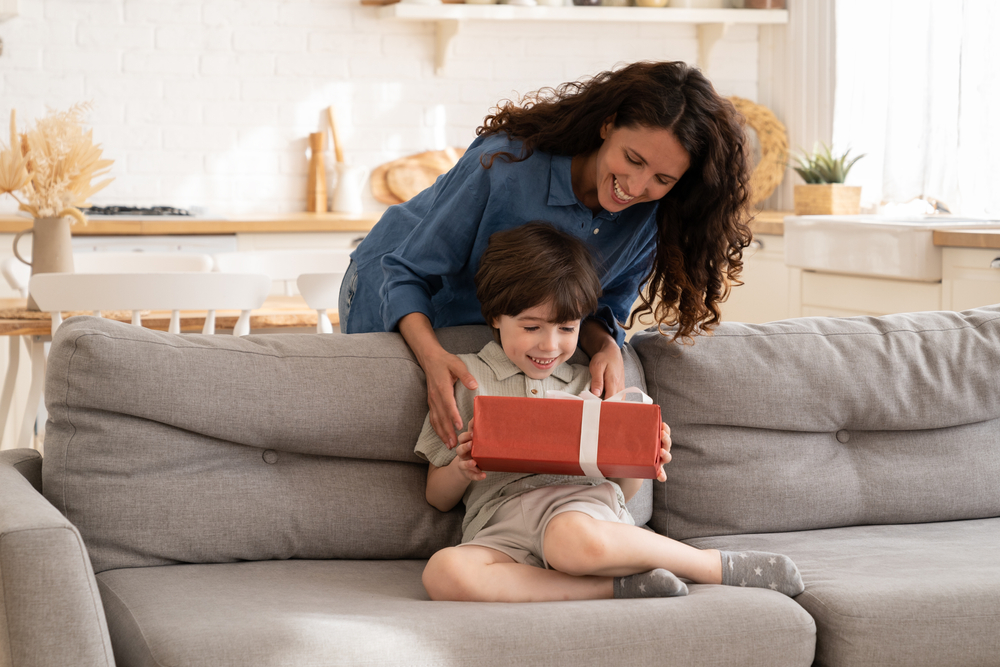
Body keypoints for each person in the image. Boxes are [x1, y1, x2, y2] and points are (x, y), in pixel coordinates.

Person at [342, 61, 753, 450]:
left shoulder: (652, 218)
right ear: (607, 125)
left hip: (499, 323)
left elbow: (597, 309)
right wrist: (433, 359)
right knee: (398, 425)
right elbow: (407, 273)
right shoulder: (504, 166)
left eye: (662, 178)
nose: (636, 184)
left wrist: (608, 347)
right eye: (633, 158)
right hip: (391, 281)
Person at [415, 223, 803, 602]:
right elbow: (438, 498)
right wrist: (460, 468)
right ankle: (615, 588)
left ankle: (711, 565)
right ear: (496, 316)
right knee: (443, 572)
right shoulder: (463, 379)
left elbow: (622, 492)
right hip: (500, 530)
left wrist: (640, 462)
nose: (549, 345)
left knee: (569, 539)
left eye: (567, 329)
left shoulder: (592, 383)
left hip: (581, 516)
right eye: (531, 327)